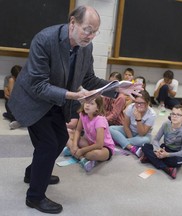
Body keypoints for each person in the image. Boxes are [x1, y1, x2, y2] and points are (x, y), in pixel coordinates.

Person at [7, 6, 141, 214]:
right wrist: (73, 95)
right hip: (32, 101)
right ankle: (34, 197)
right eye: (87, 29)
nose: (90, 36)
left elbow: (88, 78)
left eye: (95, 32)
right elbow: (38, 85)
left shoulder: (85, 48)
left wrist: (116, 88)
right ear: (72, 23)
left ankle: (33, 173)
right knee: (48, 144)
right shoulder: (44, 40)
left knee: (60, 138)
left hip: (56, 102)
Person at [65, 96, 115, 172]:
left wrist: (82, 151)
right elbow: (78, 130)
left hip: (105, 148)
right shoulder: (83, 114)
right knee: (66, 134)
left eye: (91, 104)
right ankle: (81, 158)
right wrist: (75, 145)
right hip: (90, 143)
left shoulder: (100, 120)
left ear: (97, 108)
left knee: (92, 154)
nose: (87, 105)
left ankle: (74, 152)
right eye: (86, 102)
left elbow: (99, 144)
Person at [141, 105, 182, 179]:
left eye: (178, 115)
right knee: (145, 146)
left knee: (176, 162)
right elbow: (156, 139)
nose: (174, 116)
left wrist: (167, 155)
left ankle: (151, 159)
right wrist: (157, 149)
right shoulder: (166, 124)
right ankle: (166, 169)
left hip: (176, 154)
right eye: (173, 114)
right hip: (165, 148)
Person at [109, 90, 156, 156]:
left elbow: (142, 133)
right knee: (111, 128)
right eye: (136, 102)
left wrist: (138, 119)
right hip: (129, 131)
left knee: (146, 141)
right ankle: (131, 147)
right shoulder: (131, 107)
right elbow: (126, 125)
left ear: (148, 103)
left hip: (141, 135)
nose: (138, 105)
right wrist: (130, 137)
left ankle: (120, 141)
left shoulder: (152, 114)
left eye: (142, 103)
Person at [2, 65, 22, 129]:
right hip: (11, 99)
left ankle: (10, 116)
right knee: (8, 103)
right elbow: (6, 93)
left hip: (20, 99)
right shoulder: (9, 78)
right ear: (13, 75)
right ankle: (14, 119)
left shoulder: (24, 78)